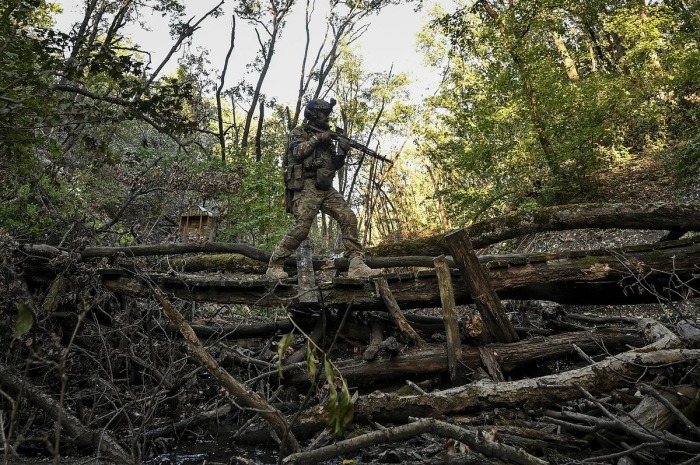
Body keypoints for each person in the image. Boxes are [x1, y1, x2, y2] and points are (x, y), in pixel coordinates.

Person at [266, 98, 382, 280]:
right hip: (306, 187)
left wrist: (343, 151)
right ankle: (275, 264)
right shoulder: (299, 132)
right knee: (302, 228)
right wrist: (317, 139)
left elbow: (333, 164)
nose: (328, 117)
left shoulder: (327, 137)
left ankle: (356, 264)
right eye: (324, 113)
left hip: (325, 187)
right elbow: (297, 152)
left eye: (328, 113)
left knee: (348, 216)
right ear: (313, 114)